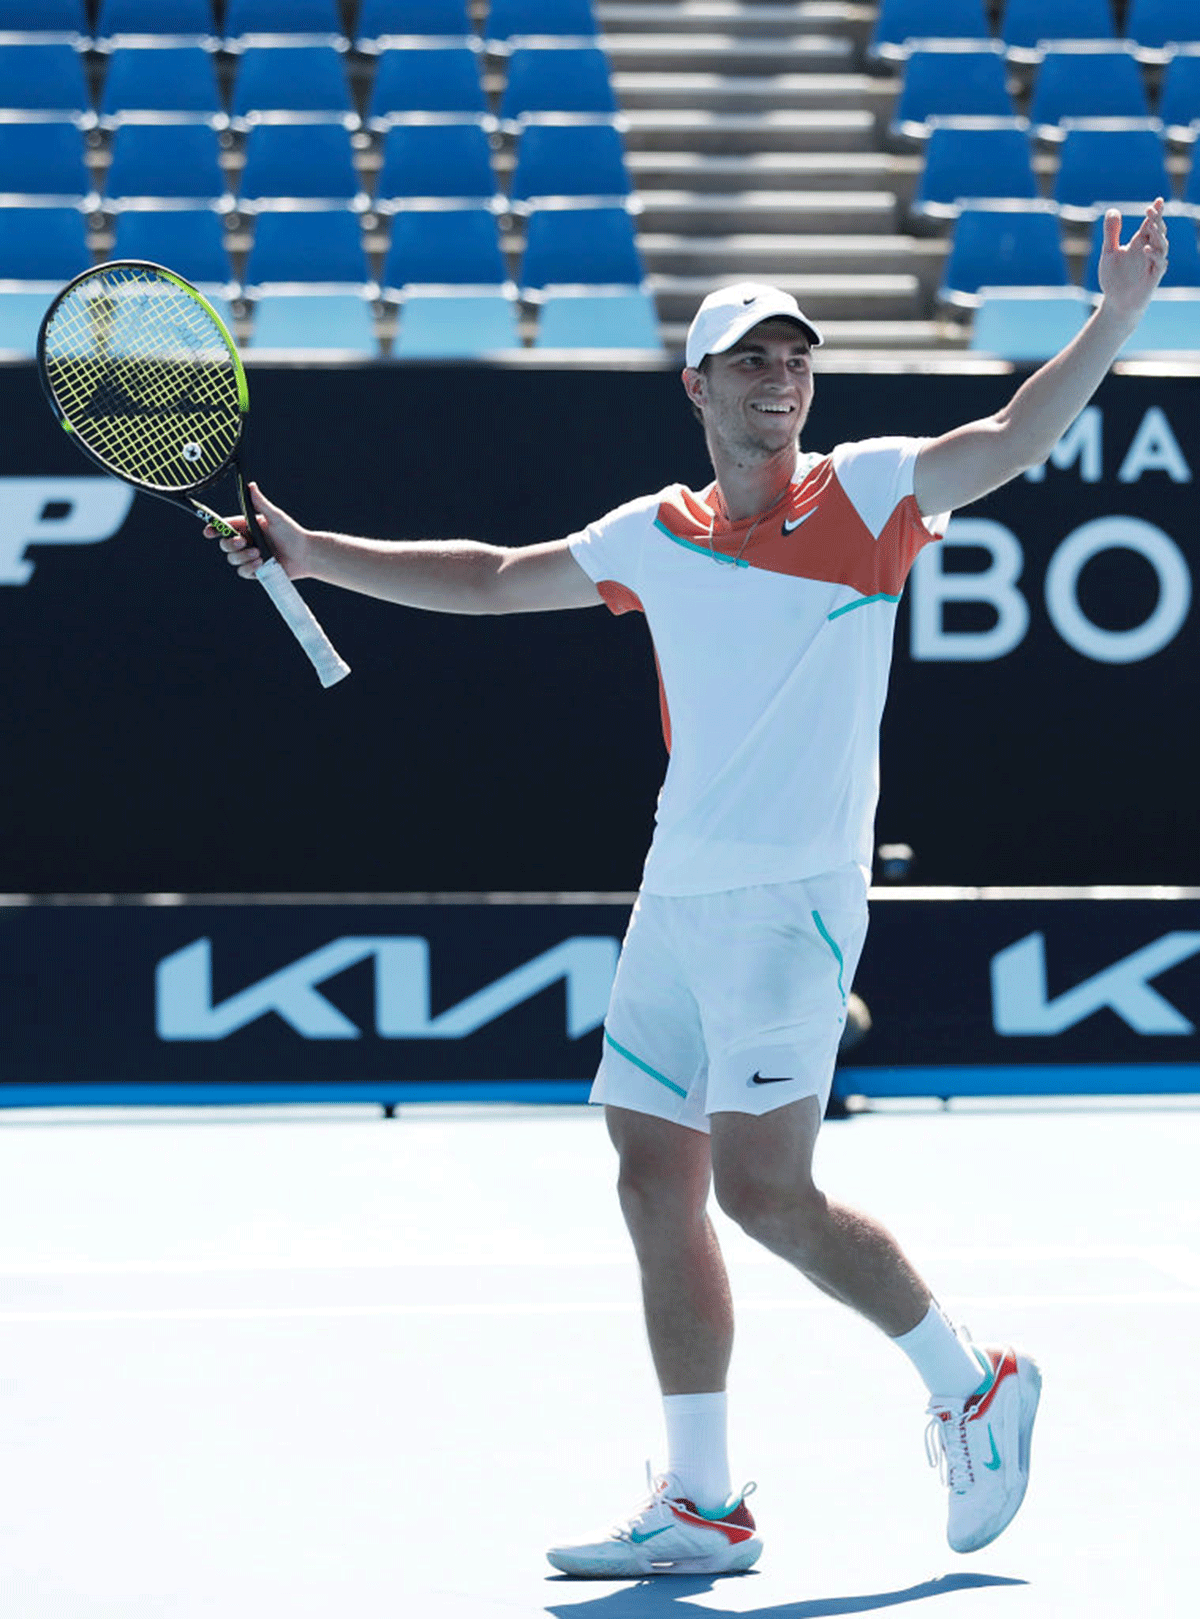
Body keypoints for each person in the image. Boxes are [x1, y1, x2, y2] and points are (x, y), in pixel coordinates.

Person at [212, 200, 1168, 1578]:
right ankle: (705, 1501)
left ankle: (971, 1376)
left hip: (798, 898)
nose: (778, 378)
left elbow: (1013, 437)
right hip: (679, 893)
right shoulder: (654, 533)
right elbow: (491, 581)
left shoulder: (878, 488)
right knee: (655, 1171)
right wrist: (316, 555)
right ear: (699, 387)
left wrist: (1116, 318)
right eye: (751, 359)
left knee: (767, 1191)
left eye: (795, 359)